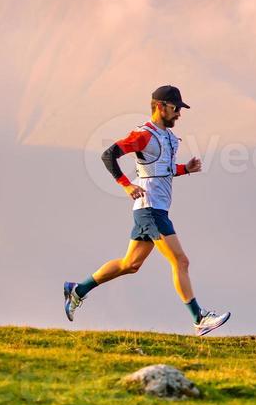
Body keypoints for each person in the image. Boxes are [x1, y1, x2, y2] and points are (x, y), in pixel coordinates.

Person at [63, 85, 231, 335]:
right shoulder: (144, 135)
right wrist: (126, 185)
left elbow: (161, 169)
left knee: (130, 264)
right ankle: (199, 318)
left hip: (154, 210)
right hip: (150, 210)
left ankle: (77, 290)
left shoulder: (167, 137)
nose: (179, 114)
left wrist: (186, 168)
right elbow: (109, 155)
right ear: (160, 106)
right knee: (181, 261)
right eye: (175, 108)